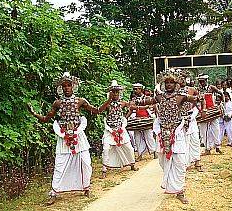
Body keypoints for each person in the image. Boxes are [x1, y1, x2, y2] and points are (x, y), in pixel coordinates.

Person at [27, 72, 110, 205]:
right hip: (63, 136)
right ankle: (54, 192)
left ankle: (86, 187)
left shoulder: (81, 101)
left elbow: (97, 110)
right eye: (64, 86)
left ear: (73, 86)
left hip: (78, 135)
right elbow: (46, 118)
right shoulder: (57, 103)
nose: (66, 88)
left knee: (86, 162)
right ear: (61, 88)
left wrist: (110, 100)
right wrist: (34, 113)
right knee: (60, 164)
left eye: (69, 85)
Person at [142, 69, 203, 204]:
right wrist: (138, 102)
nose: (169, 85)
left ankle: (180, 191)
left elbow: (194, 99)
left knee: (180, 162)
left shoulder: (181, 96)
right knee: (163, 162)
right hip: (162, 134)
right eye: (167, 82)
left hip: (177, 133)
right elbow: (148, 101)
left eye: (171, 82)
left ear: (176, 84)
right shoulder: (159, 97)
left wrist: (199, 99)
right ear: (164, 84)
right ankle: (170, 185)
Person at [101, 80, 139, 178]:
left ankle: (132, 164)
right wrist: (108, 100)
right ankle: (104, 169)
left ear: (119, 93)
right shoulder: (107, 104)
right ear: (110, 93)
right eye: (113, 92)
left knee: (129, 147)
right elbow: (99, 110)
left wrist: (126, 117)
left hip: (121, 129)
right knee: (106, 149)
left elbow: (132, 107)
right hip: (109, 130)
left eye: (117, 92)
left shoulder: (122, 103)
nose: (115, 94)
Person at [178, 71, 202, 172]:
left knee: (195, 140)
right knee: (184, 142)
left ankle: (197, 162)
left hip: (191, 117)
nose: (182, 80)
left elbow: (200, 99)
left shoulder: (191, 90)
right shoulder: (175, 92)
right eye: (180, 78)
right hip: (180, 120)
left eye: (184, 77)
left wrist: (201, 110)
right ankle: (185, 163)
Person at [127, 83, 157, 160]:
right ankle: (140, 154)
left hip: (146, 119)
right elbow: (131, 107)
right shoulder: (133, 99)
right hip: (137, 120)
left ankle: (154, 152)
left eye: (136, 89)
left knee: (149, 136)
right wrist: (125, 118)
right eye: (134, 89)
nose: (135, 91)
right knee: (137, 137)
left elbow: (153, 106)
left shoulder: (147, 98)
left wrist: (138, 107)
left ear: (141, 89)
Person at [197, 74, 223, 155]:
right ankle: (207, 148)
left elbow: (221, 93)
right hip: (203, 111)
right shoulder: (197, 89)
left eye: (203, 81)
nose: (202, 83)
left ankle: (217, 146)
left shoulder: (211, 88)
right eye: (200, 81)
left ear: (206, 81)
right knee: (203, 130)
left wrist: (219, 104)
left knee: (216, 128)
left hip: (212, 110)